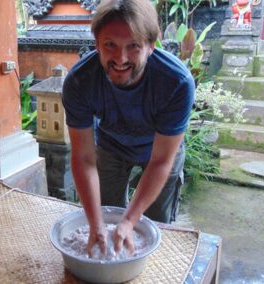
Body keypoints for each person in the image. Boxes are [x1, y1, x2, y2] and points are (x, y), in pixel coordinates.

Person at [62, 0, 195, 256]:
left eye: (133, 46)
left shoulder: (176, 82)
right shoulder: (79, 81)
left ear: (151, 46)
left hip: (160, 151)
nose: (120, 59)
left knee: (154, 225)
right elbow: (84, 157)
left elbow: (161, 161)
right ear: (97, 44)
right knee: (104, 217)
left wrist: (130, 220)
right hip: (111, 146)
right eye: (110, 45)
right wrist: (95, 222)